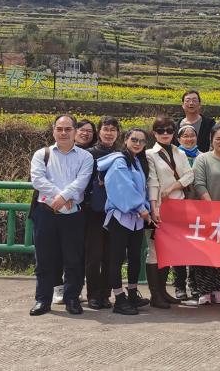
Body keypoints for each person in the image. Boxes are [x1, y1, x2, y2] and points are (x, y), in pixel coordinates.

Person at [29, 115, 93, 316]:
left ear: (75, 131)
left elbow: (82, 181)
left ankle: (72, 298)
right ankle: (42, 300)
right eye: (59, 129)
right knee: (44, 259)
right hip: (45, 213)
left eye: (68, 129)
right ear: (53, 131)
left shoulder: (85, 157)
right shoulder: (42, 154)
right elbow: (37, 180)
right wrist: (61, 197)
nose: (63, 133)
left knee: (74, 259)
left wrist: (63, 197)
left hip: (73, 215)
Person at [97, 129, 153, 315]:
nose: (137, 143)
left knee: (135, 256)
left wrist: (144, 207)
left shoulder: (135, 160)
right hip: (121, 217)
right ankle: (119, 298)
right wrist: (142, 209)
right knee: (117, 257)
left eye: (142, 141)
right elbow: (124, 188)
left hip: (136, 219)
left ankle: (132, 293)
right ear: (126, 140)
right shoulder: (119, 161)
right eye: (134, 139)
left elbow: (142, 189)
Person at [145, 116, 193, 309]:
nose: (165, 134)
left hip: (177, 207)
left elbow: (189, 175)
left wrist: (173, 187)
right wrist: (154, 208)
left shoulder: (179, 152)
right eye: (160, 130)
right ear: (154, 133)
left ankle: (163, 291)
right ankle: (155, 295)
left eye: (169, 130)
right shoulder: (150, 154)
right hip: (159, 207)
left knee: (168, 250)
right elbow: (152, 181)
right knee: (154, 250)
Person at [192, 125, 220, 305]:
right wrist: (212, 207)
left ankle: (218, 289)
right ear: (211, 140)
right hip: (205, 214)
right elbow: (199, 183)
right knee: (203, 253)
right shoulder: (202, 159)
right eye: (218, 138)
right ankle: (204, 290)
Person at [83, 117, 120, 309]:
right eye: (106, 129)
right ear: (99, 132)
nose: (109, 133)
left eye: (113, 130)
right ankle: (93, 294)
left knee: (110, 255)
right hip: (95, 210)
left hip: (115, 211)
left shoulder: (120, 154)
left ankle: (105, 294)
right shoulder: (89, 154)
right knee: (94, 255)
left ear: (118, 133)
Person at [171, 124, 198, 300]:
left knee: (196, 246)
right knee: (178, 247)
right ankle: (179, 285)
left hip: (197, 207)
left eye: (192, 135)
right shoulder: (172, 156)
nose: (189, 139)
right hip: (177, 206)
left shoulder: (202, 156)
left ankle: (193, 283)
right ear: (179, 139)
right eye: (185, 136)